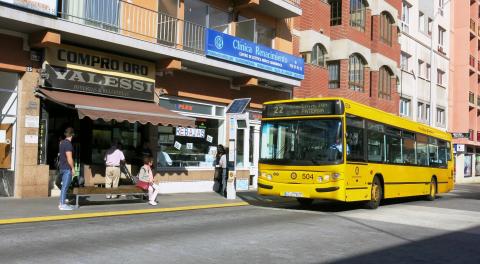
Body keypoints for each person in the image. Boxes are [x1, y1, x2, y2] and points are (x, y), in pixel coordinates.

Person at [58, 127, 75, 210]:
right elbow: (69, 158)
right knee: (65, 186)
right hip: (67, 168)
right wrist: (73, 168)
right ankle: (62, 204)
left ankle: (62, 202)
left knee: (64, 186)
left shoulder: (62, 143)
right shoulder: (68, 144)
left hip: (61, 167)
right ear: (72, 135)